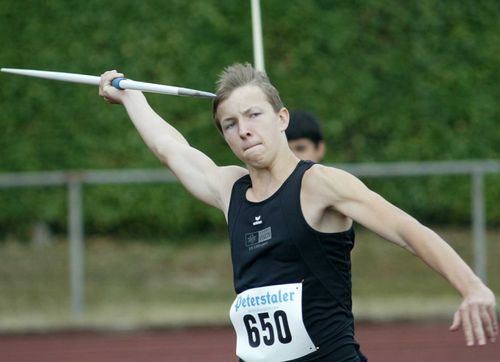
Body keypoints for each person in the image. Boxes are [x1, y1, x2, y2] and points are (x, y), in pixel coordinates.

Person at [99, 64, 497, 362]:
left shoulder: (320, 185)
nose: (244, 130)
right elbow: (172, 150)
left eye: (254, 115)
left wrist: (472, 286)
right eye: (230, 124)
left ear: (282, 119)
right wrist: (132, 98)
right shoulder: (229, 190)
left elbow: (407, 230)